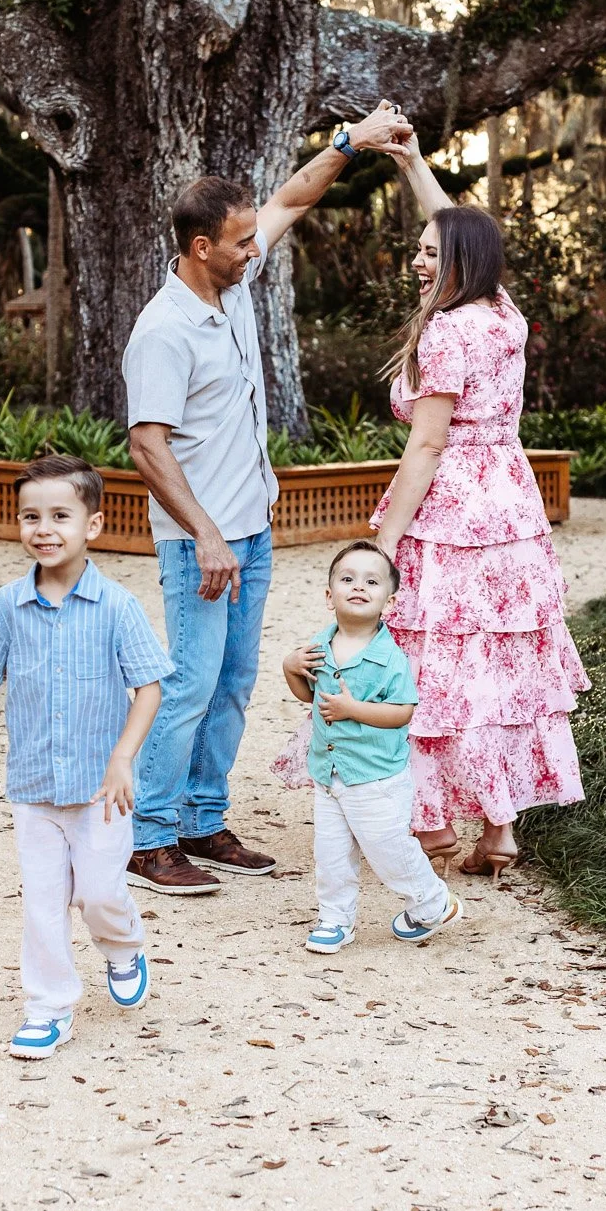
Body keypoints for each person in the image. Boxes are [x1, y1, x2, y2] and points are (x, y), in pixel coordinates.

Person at [119, 98, 416, 895]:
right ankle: (148, 840)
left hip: (248, 531)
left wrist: (352, 143)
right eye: (243, 241)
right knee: (188, 683)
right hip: (200, 543)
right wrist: (209, 534)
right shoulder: (162, 330)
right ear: (200, 246)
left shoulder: (234, 286)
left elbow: (291, 198)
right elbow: (146, 446)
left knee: (233, 681)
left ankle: (201, 821)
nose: (259, 248)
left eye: (254, 237)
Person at [366, 134, 591, 880]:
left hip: (454, 512)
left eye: (433, 254)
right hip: (512, 508)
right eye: (418, 250)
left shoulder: (448, 330)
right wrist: (412, 165)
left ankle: (431, 829)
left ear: (463, 264)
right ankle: (499, 831)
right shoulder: (502, 315)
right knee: (497, 665)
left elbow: (427, 445)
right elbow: (463, 232)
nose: (421, 261)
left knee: (437, 664)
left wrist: (385, 540)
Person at [0, 454, 171, 1061]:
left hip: (102, 790)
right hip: (33, 788)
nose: (43, 528)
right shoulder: (5, 606)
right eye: (30, 516)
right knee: (42, 903)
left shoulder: (117, 606)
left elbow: (150, 687)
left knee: (100, 893)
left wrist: (122, 758)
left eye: (60, 515)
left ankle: (123, 945)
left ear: (94, 525)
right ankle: (48, 1007)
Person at [279, 540, 463, 953]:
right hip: (329, 773)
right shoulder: (318, 646)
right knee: (331, 853)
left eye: (371, 581)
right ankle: (335, 919)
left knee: (389, 850)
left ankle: (433, 903)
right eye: (347, 579)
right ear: (330, 596)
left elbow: (402, 712)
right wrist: (289, 668)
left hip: (375, 776)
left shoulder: (390, 658)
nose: (358, 586)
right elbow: (309, 697)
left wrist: (353, 709)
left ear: (389, 601)